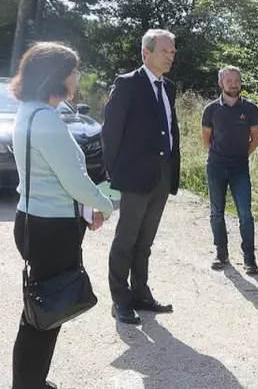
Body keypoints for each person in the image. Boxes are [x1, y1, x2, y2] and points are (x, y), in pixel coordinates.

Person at [10, 42, 113, 389]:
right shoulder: (47, 121)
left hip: (35, 222)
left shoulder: (29, 111)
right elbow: (74, 181)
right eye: (73, 70)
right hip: (51, 231)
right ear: (57, 76)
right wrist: (105, 204)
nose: (76, 77)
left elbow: (50, 178)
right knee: (45, 312)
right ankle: (28, 384)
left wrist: (84, 208)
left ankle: (30, 381)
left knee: (40, 309)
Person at [103, 29, 181, 325]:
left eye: (172, 52)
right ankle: (120, 300)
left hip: (161, 175)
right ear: (146, 52)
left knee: (145, 241)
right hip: (134, 177)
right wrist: (114, 175)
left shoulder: (168, 87)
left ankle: (141, 293)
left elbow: (170, 128)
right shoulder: (126, 84)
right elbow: (111, 133)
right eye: (165, 51)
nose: (170, 56)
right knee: (126, 239)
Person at [201, 66, 258, 274]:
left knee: (245, 213)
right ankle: (221, 253)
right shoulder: (211, 110)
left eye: (237, 80)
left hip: (240, 168)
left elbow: (256, 139)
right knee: (216, 211)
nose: (233, 84)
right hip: (216, 166)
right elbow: (206, 139)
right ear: (221, 83)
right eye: (229, 81)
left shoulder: (251, 109)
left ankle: (249, 258)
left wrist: (240, 155)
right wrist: (221, 155)